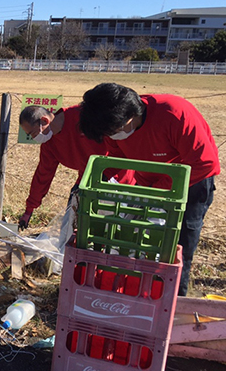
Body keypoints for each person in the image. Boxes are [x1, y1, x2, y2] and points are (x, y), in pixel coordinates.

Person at [78, 83, 220, 296]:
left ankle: (173, 301)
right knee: (138, 241)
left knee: (178, 247)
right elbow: (119, 158)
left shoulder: (174, 114)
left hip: (192, 184)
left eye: (113, 132)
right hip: (149, 186)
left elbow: (205, 164)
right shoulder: (115, 126)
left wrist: (161, 191)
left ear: (130, 118)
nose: (111, 136)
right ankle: (137, 293)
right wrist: (99, 179)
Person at [18, 105, 111, 247]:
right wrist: (30, 209)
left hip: (115, 178)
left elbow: (117, 143)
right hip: (85, 181)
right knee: (70, 229)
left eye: (33, 133)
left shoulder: (82, 116)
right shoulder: (49, 143)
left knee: (108, 232)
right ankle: (71, 263)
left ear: (44, 120)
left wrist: (109, 174)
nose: (33, 138)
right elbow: (43, 174)